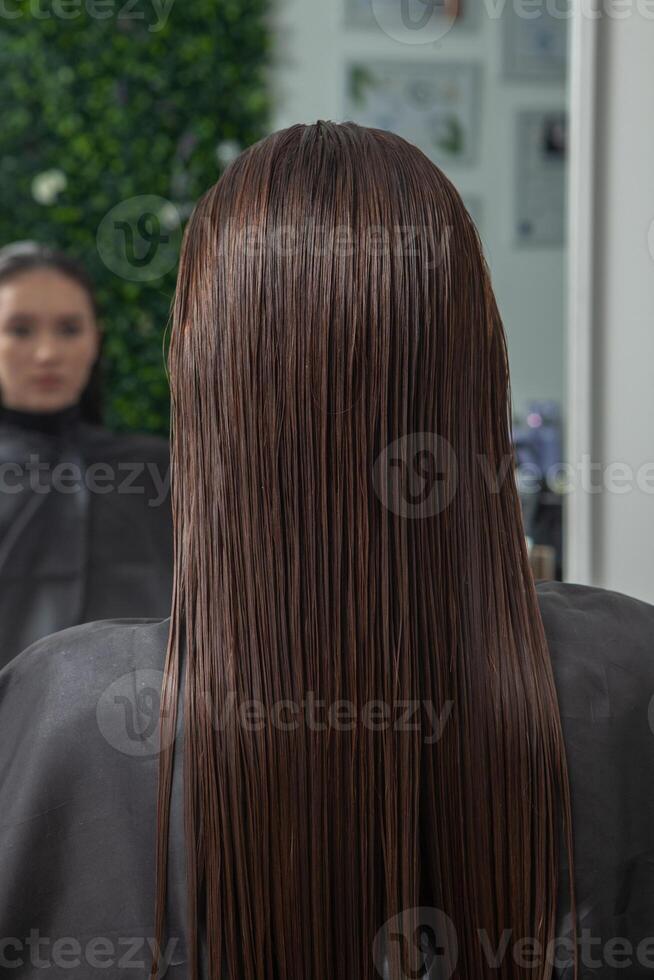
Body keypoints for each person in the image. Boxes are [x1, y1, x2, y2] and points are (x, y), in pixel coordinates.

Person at [1, 123, 653, 980]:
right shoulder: (627, 671)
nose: (46, 352)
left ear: (206, 369)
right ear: (474, 358)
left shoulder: (71, 709)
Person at [0, 242, 173, 668]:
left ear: (96, 339)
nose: (47, 354)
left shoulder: (163, 470)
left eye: (69, 329)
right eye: (20, 330)